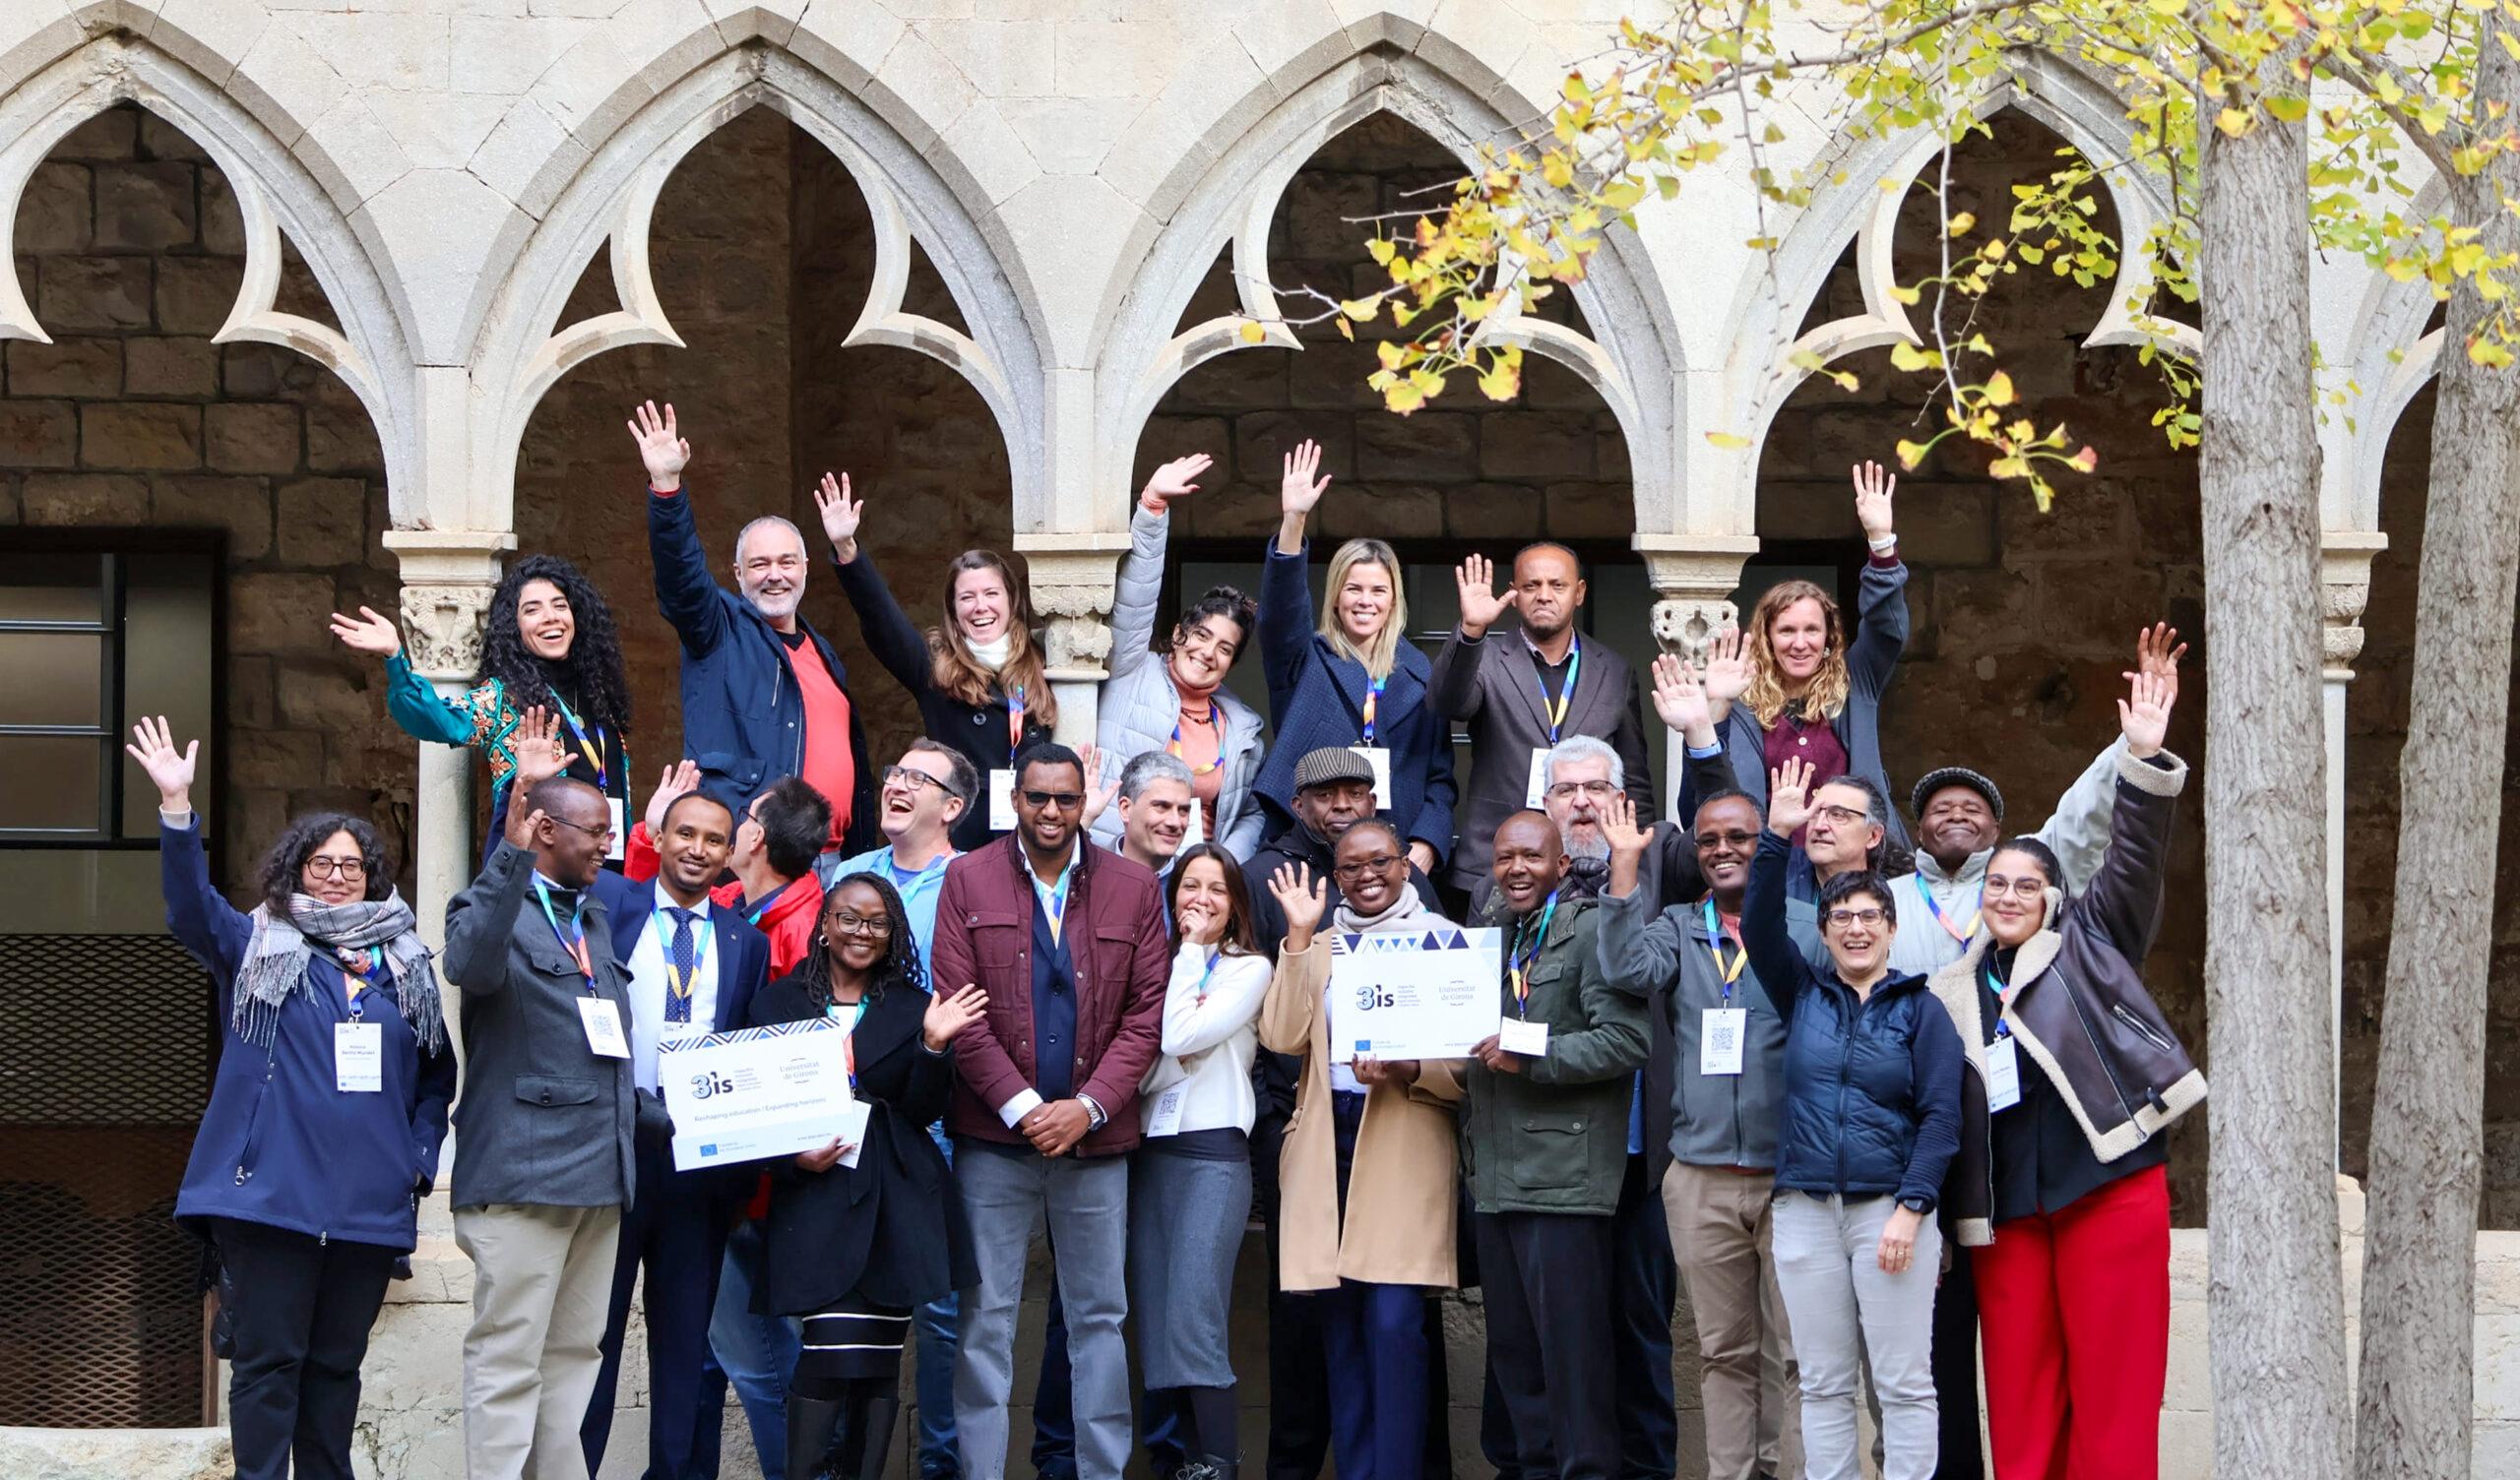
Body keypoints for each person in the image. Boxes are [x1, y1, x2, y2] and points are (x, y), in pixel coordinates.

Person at [129, 716, 454, 1480]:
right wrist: (178, 809)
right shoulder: (255, 946)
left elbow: (437, 1078)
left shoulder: (404, 968)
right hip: (270, 1200)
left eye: (353, 864)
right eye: (321, 863)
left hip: (365, 1209)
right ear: (295, 871)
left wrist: (417, 1158)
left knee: (336, 1372)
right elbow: (187, 911)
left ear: (374, 875)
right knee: (270, 1366)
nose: (338, 874)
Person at [1930, 668, 2201, 1480]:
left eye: (2027, 885)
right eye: (1997, 885)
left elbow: (2131, 864)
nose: (2010, 896)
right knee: (2019, 1405)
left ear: (2053, 898)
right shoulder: (1951, 989)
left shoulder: (2092, 942)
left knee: (2114, 1399)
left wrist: (2144, 762)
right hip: (2006, 1213)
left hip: (2106, 1190)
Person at [928, 742, 1170, 1480]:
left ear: (1083, 803)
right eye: (1040, 798)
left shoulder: (1133, 886)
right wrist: (1031, 1108)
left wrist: (1089, 1108)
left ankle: (1100, 1472)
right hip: (992, 1144)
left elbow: (1147, 1017)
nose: (1054, 812)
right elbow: (958, 1011)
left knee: (1100, 1321)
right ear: (1015, 800)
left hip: (1096, 1146)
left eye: (1067, 799)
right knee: (984, 1324)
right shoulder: (967, 879)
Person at [1739, 757, 1961, 1480]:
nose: (1857, 929)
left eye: (1871, 918)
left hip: (1889, 1215)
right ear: (1826, 933)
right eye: (1843, 919)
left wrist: (1913, 1208)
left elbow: (1940, 1120)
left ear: (1892, 931)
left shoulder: (1922, 1011)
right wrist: (1775, 838)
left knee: (1903, 1385)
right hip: (1805, 1211)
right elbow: (1759, 921)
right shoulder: (1802, 994)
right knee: (1825, 1383)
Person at [750, 872, 988, 1480]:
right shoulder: (777, 1003)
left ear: (892, 934)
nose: (863, 932)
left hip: (896, 1203)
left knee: (878, 1364)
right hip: (813, 1201)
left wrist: (934, 1047)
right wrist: (791, 1157)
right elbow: (757, 1108)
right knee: (828, 1356)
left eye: (877, 922)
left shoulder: (914, 1007)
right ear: (825, 927)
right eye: (849, 919)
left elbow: (921, 1109)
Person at [575, 768, 774, 1479]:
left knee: (686, 1350)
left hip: (699, 1164)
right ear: (657, 836)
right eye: (684, 833)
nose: (697, 848)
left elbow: (749, 1043)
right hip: (611, 1153)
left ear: (730, 855)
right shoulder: (607, 906)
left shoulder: (744, 941)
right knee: (589, 1343)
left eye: (714, 840)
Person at [440, 772, 639, 1480]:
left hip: (599, 1176)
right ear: (545, 830)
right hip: (525, 1176)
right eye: (596, 833)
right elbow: (469, 964)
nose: (607, 847)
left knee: (574, 1359)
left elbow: (600, 1049)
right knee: (508, 1360)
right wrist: (508, 861)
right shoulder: (493, 907)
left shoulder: (593, 919)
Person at [1258, 822, 1467, 1480]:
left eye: (1380, 861)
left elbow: (1469, 1069)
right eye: (1351, 867)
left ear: (1407, 867)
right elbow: (1282, 1035)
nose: (1366, 875)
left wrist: (1411, 1069)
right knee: (1340, 1337)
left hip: (1404, 1146)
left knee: (1394, 1329)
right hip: (1327, 1148)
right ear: (1336, 876)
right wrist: (1295, 938)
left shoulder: (1445, 942)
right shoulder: (1320, 946)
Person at [1440, 813, 1647, 1480]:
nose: (1517, 868)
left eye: (1533, 855)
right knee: (1518, 1366)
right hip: (1495, 1179)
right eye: (1504, 858)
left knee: (1574, 1367)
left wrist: (1531, 1053)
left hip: (1565, 1180)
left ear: (1563, 864)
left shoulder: (1591, 932)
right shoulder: (1485, 944)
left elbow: (1625, 1043)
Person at [1598, 788, 1795, 1480]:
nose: (1722, 851)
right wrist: (1625, 868)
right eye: (1708, 840)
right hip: (1701, 1176)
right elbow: (1623, 969)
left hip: (1789, 1180)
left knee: (1794, 1355)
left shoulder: (1802, 922)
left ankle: (1787, 1470)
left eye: (1738, 837)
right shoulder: (1681, 925)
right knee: (1725, 1350)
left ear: (1765, 842)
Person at [630, 400, 877, 857]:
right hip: (754, 861)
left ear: (805, 568)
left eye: (786, 562)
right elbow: (681, 578)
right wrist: (667, 488)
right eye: (758, 564)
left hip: (832, 861)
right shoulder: (718, 629)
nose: (774, 574)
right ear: (738, 574)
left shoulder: (823, 652)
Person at [822, 739, 973, 1480]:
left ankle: (940, 1462)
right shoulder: (849, 877)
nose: (896, 786)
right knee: (849, 1293)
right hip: (848, 1124)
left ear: (953, 807)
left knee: (940, 1310)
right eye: (895, 774)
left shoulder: (970, 882)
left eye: (918, 778)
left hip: (932, 1122)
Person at [1894, 623, 2187, 974]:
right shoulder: (1883, 898)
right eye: (1941, 810)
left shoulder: (2026, 873)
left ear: (1996, 831)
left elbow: (2083, 815)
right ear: (1919, 832)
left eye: (1973, 809)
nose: (1957, 815)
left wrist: (2135, 743)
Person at [335, 555, 638, 862]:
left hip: (609, 865)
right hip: (538, 877)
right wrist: (395, 657)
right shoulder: (502, 698)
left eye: (560, 605)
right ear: (514, 627)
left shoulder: (597, 694)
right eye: (532, 610)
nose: (550, 617)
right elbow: (435, 720)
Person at [1128, 843, 1274, 1480]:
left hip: (1214, 1157)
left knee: (1194, 1314)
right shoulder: (1153, 967)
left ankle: (1219, 1464)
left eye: (1217, 888)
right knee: (1160, 1324)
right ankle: (1189, 1463)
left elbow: (1176, 1038)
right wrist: (1172, 1053)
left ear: (1235, 903)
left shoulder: (1249, 969)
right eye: (1191, 885)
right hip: (1152, 1157)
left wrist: (1189, 954)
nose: (1202, 899)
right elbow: (1142, 1067)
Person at [816, 470, 1054, 852]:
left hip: (1032, 842)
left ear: (1012, 601)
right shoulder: (935, 666)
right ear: (952, 608)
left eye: (991, 593)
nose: (980, 607)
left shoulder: (1047, 661)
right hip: (960, 846)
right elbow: (882, 620)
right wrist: (848, 550)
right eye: (967, 597)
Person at [1256, 439, 1457, 874]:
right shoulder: (1305, 658)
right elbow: (1280, 615)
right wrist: (1294, 521)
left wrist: (1427, 842)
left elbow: (1440, 777)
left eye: (1378, 591)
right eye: (1354, 589)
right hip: (1311, 850)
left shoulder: (1422, 673)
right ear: (1335, 598)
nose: (1365, 601)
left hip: (1397, 855)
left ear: (1393, 600)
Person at [1429, 547, 1655, 899]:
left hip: (1588, 868)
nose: (1544, 595)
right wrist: (1472, 629)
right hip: (1497, 865)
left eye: (1557, 585)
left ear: (1579, 592)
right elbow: (1447, 703)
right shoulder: (1485, 658)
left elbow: (1635, 780)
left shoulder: (1613, 670)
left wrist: (1637, 864)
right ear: (1514, 593)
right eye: (1532, 585)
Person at [1708, 462, 1907, 842]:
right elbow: (1709, 796)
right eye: (1786, 631)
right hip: (1771, 868)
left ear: (1829, 636)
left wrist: (1881, 541)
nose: (1800, 643)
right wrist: (1714, 710)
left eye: (1811, 630)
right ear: (1766, 638)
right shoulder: (1742, 703)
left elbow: (1887, 628)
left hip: (1852, 867)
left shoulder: (1855, 683)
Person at [1093, 452, 1270, 857]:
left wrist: (1227, 863)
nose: (1208, 652)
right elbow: (1136, 600)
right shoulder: (1133, 670)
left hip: (1196, 882)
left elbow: (1251, 813)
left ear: (1231, 663)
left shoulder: (1241, 730)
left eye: (1224, 649)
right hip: (1118, 863)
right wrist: (1152, 508)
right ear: (1178, 634)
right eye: (1202, 636)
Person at [631, 771, 835, 980]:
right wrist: (654, 834)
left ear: (757, 837)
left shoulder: (806, 936)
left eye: (747, 816)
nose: (740, 827)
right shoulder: (733, 897)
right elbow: (655, 905)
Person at [1248, 747, 1444, 949]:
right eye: (1324, 795)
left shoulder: (1400, 868)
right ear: (1298, 807)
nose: (1342, 805)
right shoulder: (1261, 875)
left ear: (1372, 804)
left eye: (1355, 793)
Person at [1107, 749, 1200, 878]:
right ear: (1126, 809)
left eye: (1183, 810)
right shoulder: (1086, 873)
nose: (1175, 822)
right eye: (1161, 806)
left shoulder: (1199, 887)